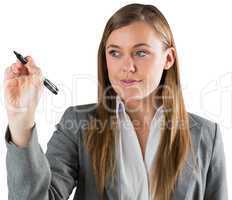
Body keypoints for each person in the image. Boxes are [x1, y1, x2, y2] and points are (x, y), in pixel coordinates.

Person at [3, 3, 228, 200]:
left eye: (140, 53)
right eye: (115, 53)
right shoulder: (78, 125)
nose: (126, 67)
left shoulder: (206, 135)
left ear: (168, 58)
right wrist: (21, 118)